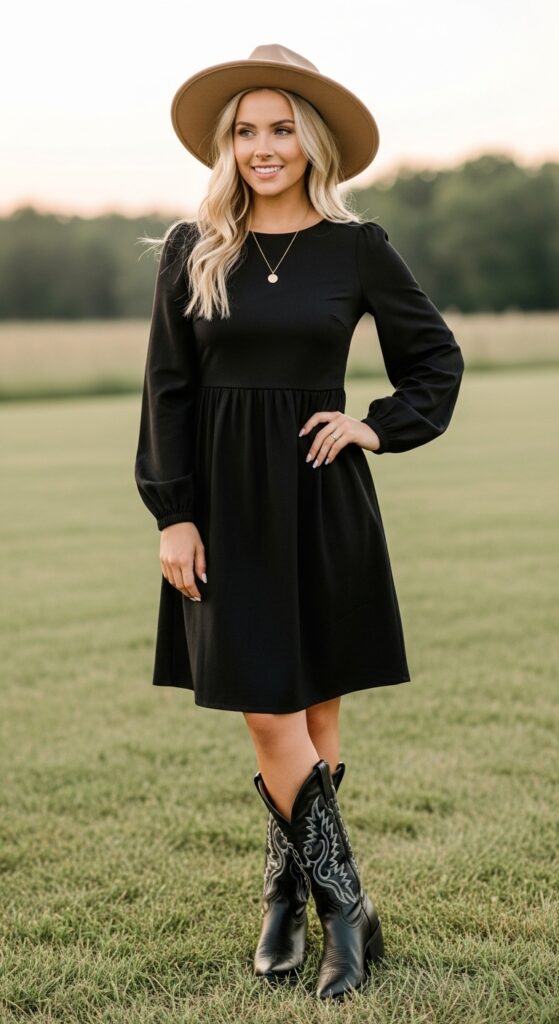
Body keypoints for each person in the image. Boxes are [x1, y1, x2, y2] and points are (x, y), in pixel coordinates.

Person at [134, 44, 465, 1001]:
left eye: (281, 129)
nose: (263, 147)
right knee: (269, 710)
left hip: (321, 497)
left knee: (314, 706)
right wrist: (174, 515)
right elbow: (167, 391)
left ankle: (284, 894)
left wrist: (375, 424)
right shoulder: (192, 248)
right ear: (226, 145)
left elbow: (433, 359)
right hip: (225, 510)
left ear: (310, 139)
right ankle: (345, 912)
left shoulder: (357, 247)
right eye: (246, 131)